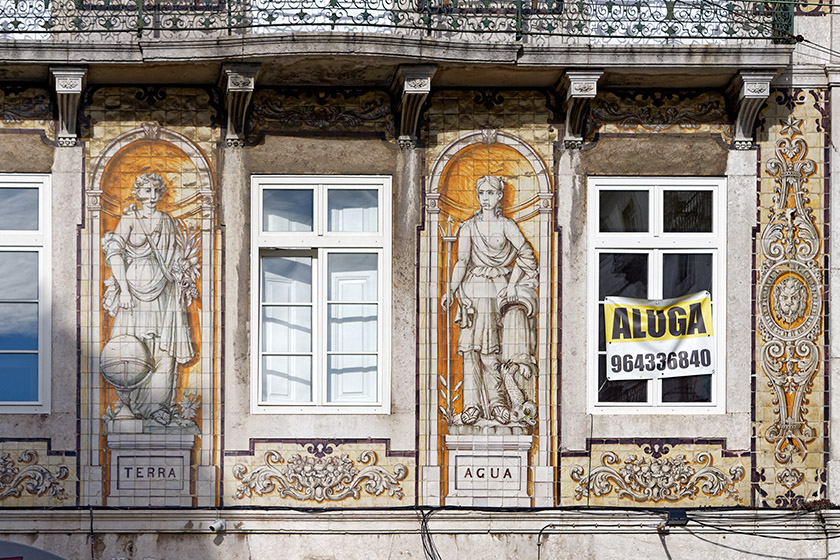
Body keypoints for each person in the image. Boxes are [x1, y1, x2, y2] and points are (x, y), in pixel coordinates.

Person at [441, 176, 539, 427]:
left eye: (490, 192)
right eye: (481, 192)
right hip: (472, 291)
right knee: (470, 351)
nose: (485, 197)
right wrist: (451, 291)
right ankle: (471, 406)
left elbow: (527, 254)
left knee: (490, 350)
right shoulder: (467, 228)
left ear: (499, 197)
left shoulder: (507, 226)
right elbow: (461, 262)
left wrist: (512, 283)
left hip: (496, 290)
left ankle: (497, 403)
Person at [102, 173, 196, 426]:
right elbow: (114, 252)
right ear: (138, 193)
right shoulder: (130, 218)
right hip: (133, 288)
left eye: (157, 191)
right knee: (132, 344)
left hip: (162, 289)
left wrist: (181, 276)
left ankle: (158, 406)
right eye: (147, 191)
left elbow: (175, 257)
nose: (153, 196)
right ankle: (129, 405)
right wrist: (123, 288)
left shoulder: (167, 221)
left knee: (163, 347)